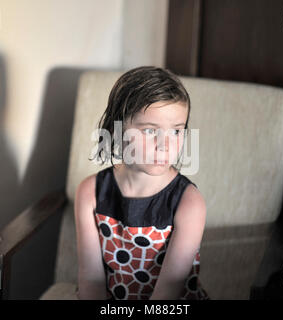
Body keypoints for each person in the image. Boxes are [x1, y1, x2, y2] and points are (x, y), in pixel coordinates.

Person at [74, 66, 209, 300]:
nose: (165, 145)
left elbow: (168, 292)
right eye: (149, 130)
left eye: (176, 131)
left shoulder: (189, 203)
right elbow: (91, 280)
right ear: (118, 129)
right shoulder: (91, 193)